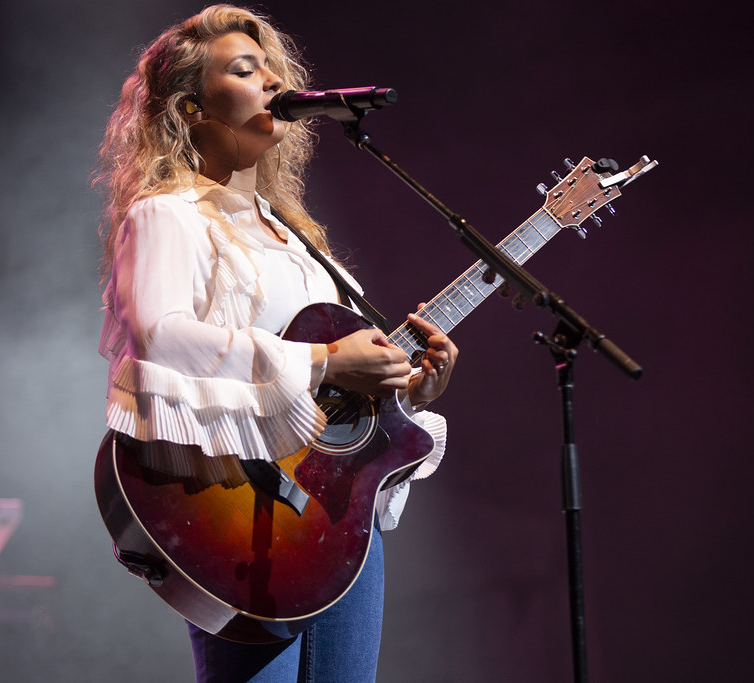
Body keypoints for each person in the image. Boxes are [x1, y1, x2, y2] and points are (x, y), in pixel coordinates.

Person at [94, 5, 458, 681]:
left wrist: (406, 388)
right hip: (236, 499)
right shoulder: (167, 215)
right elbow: (160, 336)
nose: (271, 81)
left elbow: (338, 388)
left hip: (335, 508)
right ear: (192, 108)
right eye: (244, 70)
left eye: (271, 68)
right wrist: (325, 359)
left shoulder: (299, 242)